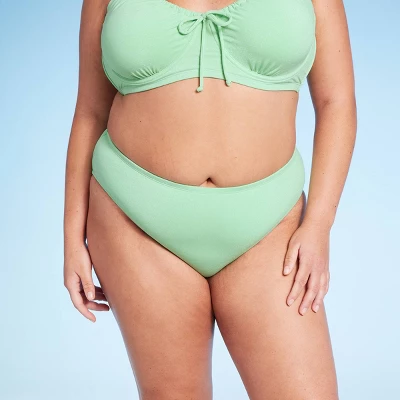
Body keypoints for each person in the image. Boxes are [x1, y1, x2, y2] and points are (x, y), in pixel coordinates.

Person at [63, 0, 356, 398]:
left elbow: (337, 102)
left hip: (271, 225)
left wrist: (319, 224)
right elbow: (90, 111)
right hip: (136, 219)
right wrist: (72, 238)